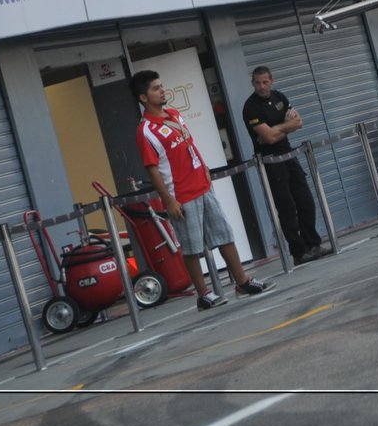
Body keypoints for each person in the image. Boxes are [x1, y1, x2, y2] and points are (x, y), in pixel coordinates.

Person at [131, 71, 271, 310]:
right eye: (156, 88)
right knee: (192, 247)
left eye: (161, 86)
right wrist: (169, 201)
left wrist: (204, 167)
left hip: (202, 187)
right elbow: (153, 170)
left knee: (224, 234)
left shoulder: (173, 114)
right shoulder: (145, 131)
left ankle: (242, 282)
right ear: (143, 97)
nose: (162, 91)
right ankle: (204, 294)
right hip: (181, 196)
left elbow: (189, 144)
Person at [241, 67, 327, 263]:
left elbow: (298, 123)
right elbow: (269, 139)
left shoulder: (279, 97)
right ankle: (299, 251)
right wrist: (281, 129)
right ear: (252, 83)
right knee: (286, 207)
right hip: (270, 160)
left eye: (265, 82)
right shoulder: (251, 107)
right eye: (257, 83)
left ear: (272, 80)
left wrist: (277, 129)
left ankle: (314, 245)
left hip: (288, 153)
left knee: (305, 200)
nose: (261, 86)